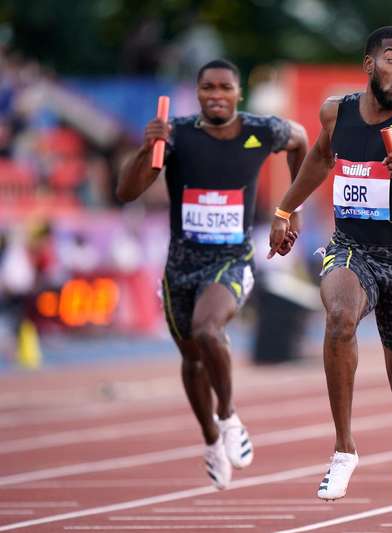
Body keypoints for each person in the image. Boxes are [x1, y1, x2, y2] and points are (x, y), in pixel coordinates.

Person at [267, 26, 392, 508]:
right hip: (350, 248)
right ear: (369, 65)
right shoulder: (335, 113)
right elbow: (319, 161)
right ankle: (344, 448)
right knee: (339, 318)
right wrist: (283, 210)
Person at [116, 59, 308, 489]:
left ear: (237, 93)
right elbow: (126, 192)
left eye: (224, 88)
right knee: (191, 360)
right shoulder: (177, 134)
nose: (216, 95)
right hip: (181, 265)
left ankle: (229, 416)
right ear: (198, 93)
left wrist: (290, 207)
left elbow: (300, 139)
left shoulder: (261, 130)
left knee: (208, 330)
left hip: (232, 259)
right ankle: (210, 439)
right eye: (208, 88)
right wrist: (149, 149)